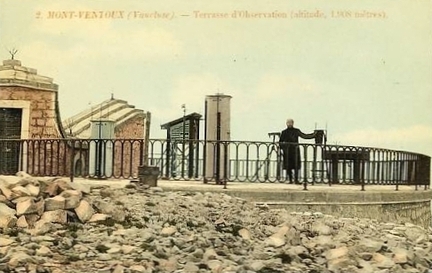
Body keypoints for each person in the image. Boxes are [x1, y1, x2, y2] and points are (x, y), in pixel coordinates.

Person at [279, 119, 316, 183]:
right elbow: (281, 142)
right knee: (288, 166)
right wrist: (283, 148)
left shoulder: (296, 131)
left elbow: (304, 136)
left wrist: (314, 135)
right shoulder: (284, 132)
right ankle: (290, 179)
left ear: (293, 123)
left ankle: (296, 179)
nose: (289, 124)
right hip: (288, 151)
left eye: (290, 123)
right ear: (286, 123)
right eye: (288, 123)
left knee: (296, 165)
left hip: (295, 151)